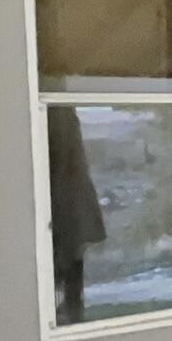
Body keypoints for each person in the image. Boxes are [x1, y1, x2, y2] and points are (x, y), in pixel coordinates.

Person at [45, 106, 108, 323]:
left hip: (65, 213)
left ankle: (70, 309)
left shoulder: (58, 114)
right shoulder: (59, 113)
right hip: (66, 213)